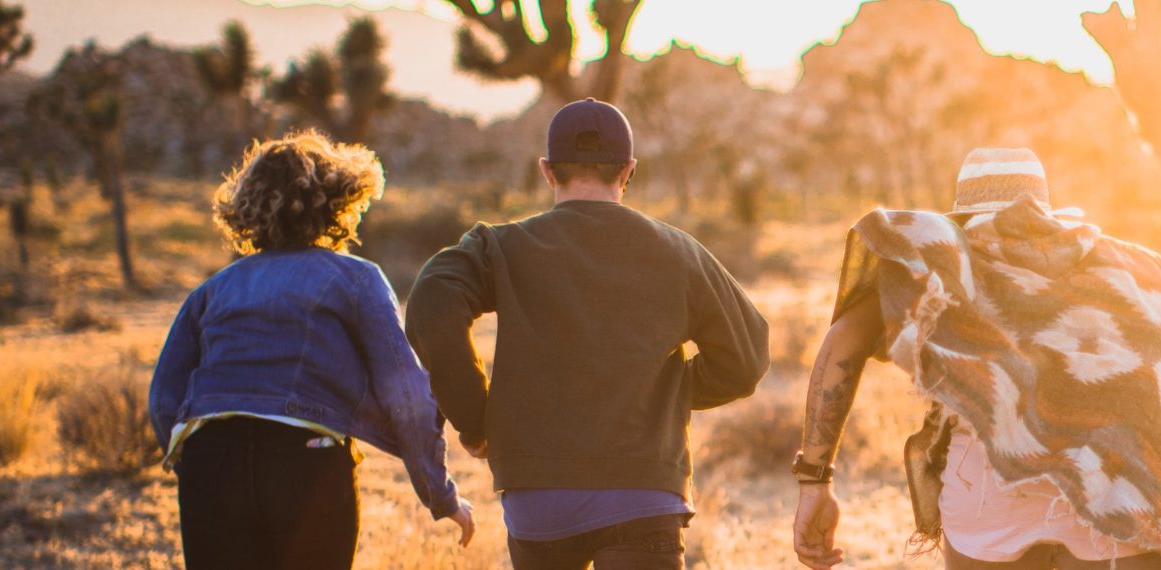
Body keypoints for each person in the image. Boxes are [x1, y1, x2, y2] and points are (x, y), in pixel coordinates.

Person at [791, 148, 1161, 570]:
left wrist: (816, 481)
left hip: (985, 507)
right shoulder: (1123, 272)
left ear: (961, 212)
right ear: (1043, 207)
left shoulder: (944, 265)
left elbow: (841, 341)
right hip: (1117, 501)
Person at [404, 98, 770, 570]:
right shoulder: (679, 252)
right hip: (645, 494)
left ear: (546, 170)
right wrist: (665, 390)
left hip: (538, 502)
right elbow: (747, 358)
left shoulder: (502, 246)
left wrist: (477, 419)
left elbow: (432, 302)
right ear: (628, 171)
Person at [149, 130, 474, 569]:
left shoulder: (212, 290)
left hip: (211, 456)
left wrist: (203, 467)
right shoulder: (357, 279)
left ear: (246, 207)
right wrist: (440, 494)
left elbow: (164, 400)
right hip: (306, 458)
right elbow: (408, 396)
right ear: (336, 202)